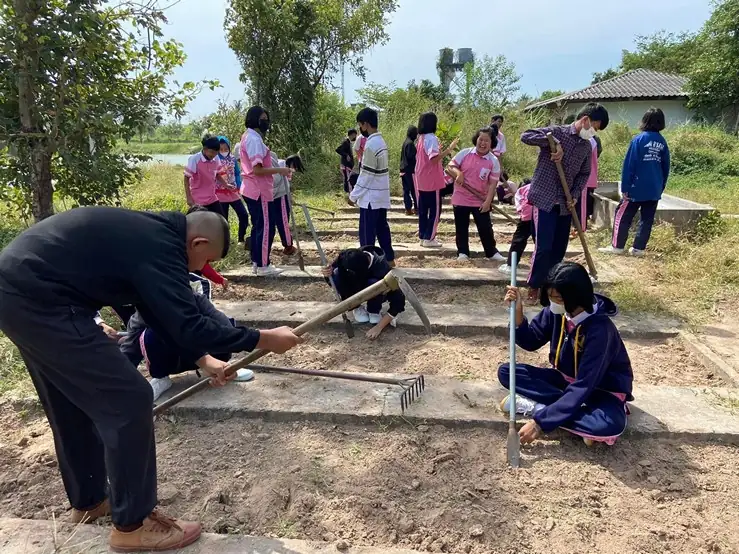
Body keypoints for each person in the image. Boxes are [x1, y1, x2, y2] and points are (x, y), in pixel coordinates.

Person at [0, 207, 303, 551]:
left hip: (17, 292)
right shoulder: (162, 249)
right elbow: (191, 325)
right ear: (197, 242)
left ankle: (90, 501)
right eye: (205, 261)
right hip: (43, 301)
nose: (200, 269)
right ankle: (133, 525)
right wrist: (263, 338)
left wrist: (201, 360)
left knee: (71, 401)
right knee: (130, 400)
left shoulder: (149, 236)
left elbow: (159, 314)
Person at [498, 262, 633, 446]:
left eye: (557, 298)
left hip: (600, 390)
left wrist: (539, 423)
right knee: (508, 372)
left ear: (575, 297)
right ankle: (567, 414)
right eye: (550, 296)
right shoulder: (558, 312)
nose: (552, 302)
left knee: (608, 425)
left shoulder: (601, 330)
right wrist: (518, 315)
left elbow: (584, 384)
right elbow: (531, 341)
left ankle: (541, 409)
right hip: (564, 381)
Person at [521, 102, 609, 301]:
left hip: (565, 202)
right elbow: (525, 136)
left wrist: (575, 195)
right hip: (544, 199)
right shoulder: (556, 133)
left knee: (559, 249)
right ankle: (534, 284)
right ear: (585, 120)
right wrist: (553, 143)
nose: (594, 133)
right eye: (595, 127)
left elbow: (584, 174)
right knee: (544, 247)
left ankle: (550, 286)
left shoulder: (586, 146)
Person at [120, 272, 254, 402]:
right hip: (173, 359)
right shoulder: (143, 313)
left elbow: (225, 328)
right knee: (149, 335)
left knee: (215, 327)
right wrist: (119, 379)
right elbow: (130, 350)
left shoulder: (197, 300)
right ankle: (161, 378)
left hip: (205, 352)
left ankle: (223, 369)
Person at [599, 108, 670, 257]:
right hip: (654, 189)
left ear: (645, 121)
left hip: (636, 188)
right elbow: (666, 167)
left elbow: (629, 165)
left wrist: (625, 188)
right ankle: (639, 249)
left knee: (622, 215)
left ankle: (617, 246)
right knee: (647, 219)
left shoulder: (639, 140)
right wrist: (660, 187)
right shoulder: (662, 142)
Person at [239, 106, 293, 276]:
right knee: (266, 228)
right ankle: (264, 265)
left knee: (258, 227)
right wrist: (280, 170)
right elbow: (257, 170)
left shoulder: (248, 136)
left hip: (252, 189)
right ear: (254, 119)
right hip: (259, 190)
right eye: (263, 119)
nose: (266, 122)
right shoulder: (254, 139)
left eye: (266, 119)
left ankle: (257, 262)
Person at [446, 126, 505, 262]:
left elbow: (493, 184)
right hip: (461, 197)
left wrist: (488, 201)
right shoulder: (465, 153)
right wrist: (459, 173)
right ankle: (463, 252)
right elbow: (450, 166)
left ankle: (491, 252)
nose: (483, 143)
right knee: (461, 227)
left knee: (485, 227)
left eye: (486, 141)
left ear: (491, 143)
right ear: (476, 139)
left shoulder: (493, 161)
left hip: (480, 199)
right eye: (480, 139)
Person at [321, 246, 405, 340]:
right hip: (356, 285)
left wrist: (379, 327)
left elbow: (399, 301)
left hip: (375, 290)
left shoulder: (382, 269)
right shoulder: (346, 258)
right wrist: (327, 274)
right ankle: (355, 306)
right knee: (337, 274)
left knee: (375, 283)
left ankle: (373, 310)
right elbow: (333, 279)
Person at [349, 107, 396, 267]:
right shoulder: (381, 142)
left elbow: (366, 176)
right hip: (380, 195)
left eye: (360, 125)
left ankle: (367, 265)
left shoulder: (370, 145)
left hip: (371, 198)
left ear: (366, 124)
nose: (360, 129)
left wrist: (353, 196)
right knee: (382, 229)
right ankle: (389, 259)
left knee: (367, 235)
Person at [414, 112, 459, 248]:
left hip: (421, 178)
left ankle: (423, 236)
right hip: (431, 179)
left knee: (423, 210)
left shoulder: (420, 138)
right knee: (435, 211)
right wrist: (449, 149)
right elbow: (433, 159)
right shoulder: (431, 138)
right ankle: (430, 237)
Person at [184, 134, 230, 216]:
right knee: (200, 221)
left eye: (216, 153)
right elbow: (186, 178)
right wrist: (189, 198)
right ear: (204, 149)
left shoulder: (216, 158)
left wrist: (225, 184)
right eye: (211, 152)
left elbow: (217, 174)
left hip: (212, 197)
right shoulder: (195, 159)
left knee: (221, 220)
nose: (213, 155)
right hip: (198, 199)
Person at [269, 153, 305, 256]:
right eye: (295, 167)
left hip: (275, 196)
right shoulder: (281, 166)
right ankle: (288, 246)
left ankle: (285, 244)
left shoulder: (282, 166)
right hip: (278, 196)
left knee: (279, 221)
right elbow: (277, 183)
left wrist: (290, 197)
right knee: (283, 221)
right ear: (292, 163)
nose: (294, 170)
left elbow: (286, 185)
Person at [217, 136, 250, 243]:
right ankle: (225, 241)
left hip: (233, 192)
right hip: (220, 194)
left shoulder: (232, 159)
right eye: (221, 149)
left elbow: (237, 173)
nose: (223, 151)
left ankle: (241, 238)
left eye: (226, 149)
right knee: (223, 219)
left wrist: (239, 187)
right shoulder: (215, 159)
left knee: (243, 215)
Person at [499, 178, 533, 274]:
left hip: (528, 217)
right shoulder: (544, 186)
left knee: (519, 240)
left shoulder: (522, 190)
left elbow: (520, 206)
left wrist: (523, 216)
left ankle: (511, 265)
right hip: (544, 216)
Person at [578, 135, 602, 233]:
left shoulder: (589, 140)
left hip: (585, 178)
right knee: (583, 203)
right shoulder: (593, 139)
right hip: (587, 177)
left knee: (582, 204)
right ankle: (580, 225)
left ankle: (581, 228)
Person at [399, 125, 418, 215]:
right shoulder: (410, 143)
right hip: (410, 170)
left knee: (406, 191)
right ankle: (417, 208)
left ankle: (408, 209)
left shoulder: (405, 142)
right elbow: (411, 157)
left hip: (403, 169)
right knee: (414, 190)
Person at [336, 129, 358, 201]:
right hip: (346, 165)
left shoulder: (349, 142)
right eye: (355, 135)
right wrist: (346, 155)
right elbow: (338, 149)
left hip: (348, 165)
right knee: (348, 180)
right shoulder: (346, 142)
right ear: (352, 134)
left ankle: (349, 195)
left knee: (348, 179)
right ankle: (350, 197)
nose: (356, 136)